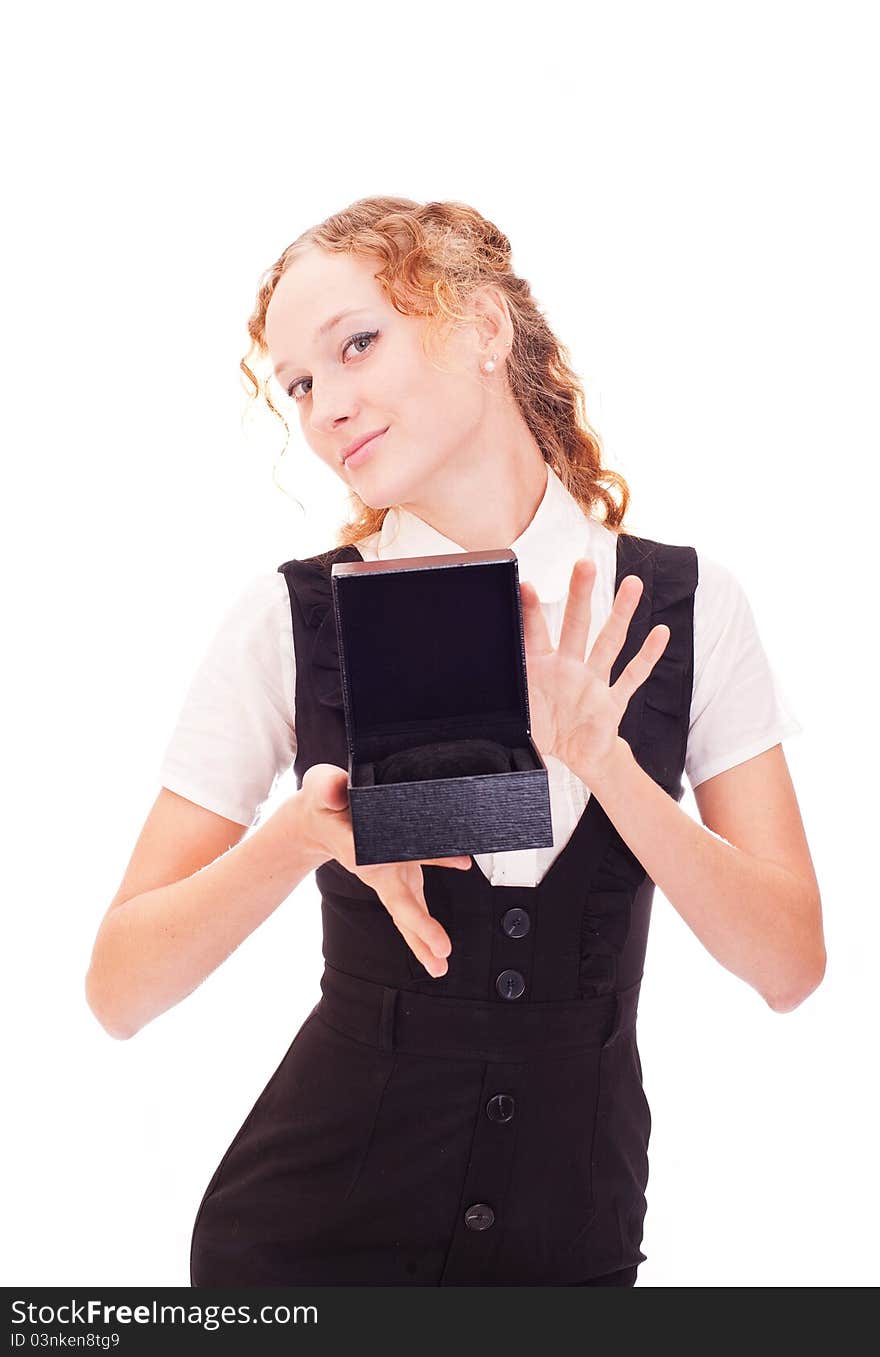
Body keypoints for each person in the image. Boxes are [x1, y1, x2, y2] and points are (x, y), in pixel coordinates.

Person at [84, 196, 825, 1287]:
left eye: (356, 344)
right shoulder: (293, 620)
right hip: (302, 1256)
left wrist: (612, 770)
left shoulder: (685, 605)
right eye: (297, 383)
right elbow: (118, 991)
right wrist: (300, 835)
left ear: (484, 328)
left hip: (569, 1253)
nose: (325, 405)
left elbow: (788, 966)